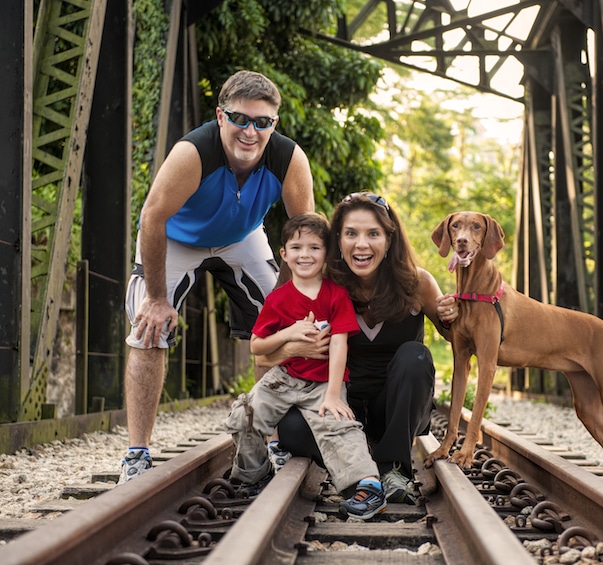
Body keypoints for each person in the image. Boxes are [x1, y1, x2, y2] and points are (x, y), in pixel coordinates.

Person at [119, 70, 314, 483]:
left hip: (241, 238)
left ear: (274, 124)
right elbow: (152, 218)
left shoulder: (289, 158)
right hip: (176, 238)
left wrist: (287, 299)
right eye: (240, 119)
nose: (251, 131)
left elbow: (306, 232)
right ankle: (136, 455)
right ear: (221, 116)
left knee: (279, 325)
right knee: (147, 329)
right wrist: (156, 299)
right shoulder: (193, 153)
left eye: (263, 122)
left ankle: (271, 443)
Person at [261, 192, 458, 504]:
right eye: (351, 233)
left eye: (373, 234)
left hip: (395, 409)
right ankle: (355, 460)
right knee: (291, 427)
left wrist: (453, 315)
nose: (361, 244)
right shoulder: (321, 287)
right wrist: (293, 342)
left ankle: (393, 467)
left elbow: (454, 337)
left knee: (415, 355)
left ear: (390, 240)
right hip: (340, 409)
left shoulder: (416, 283)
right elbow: (266, 353)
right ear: (337, 240)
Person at [225, 213, 387, 520]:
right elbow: (257, 346)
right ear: (284, 254)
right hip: (284, 378)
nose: (305, 255)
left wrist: (334, 394)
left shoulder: (335, 294)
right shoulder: (277, 299)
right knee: (244, 414)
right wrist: (289, 333)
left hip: (323, 383)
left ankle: (367, 484)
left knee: (337, 424)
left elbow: (339, 343)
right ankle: (254, 475)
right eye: (297, 248)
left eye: (314, 248)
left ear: (327, 253)